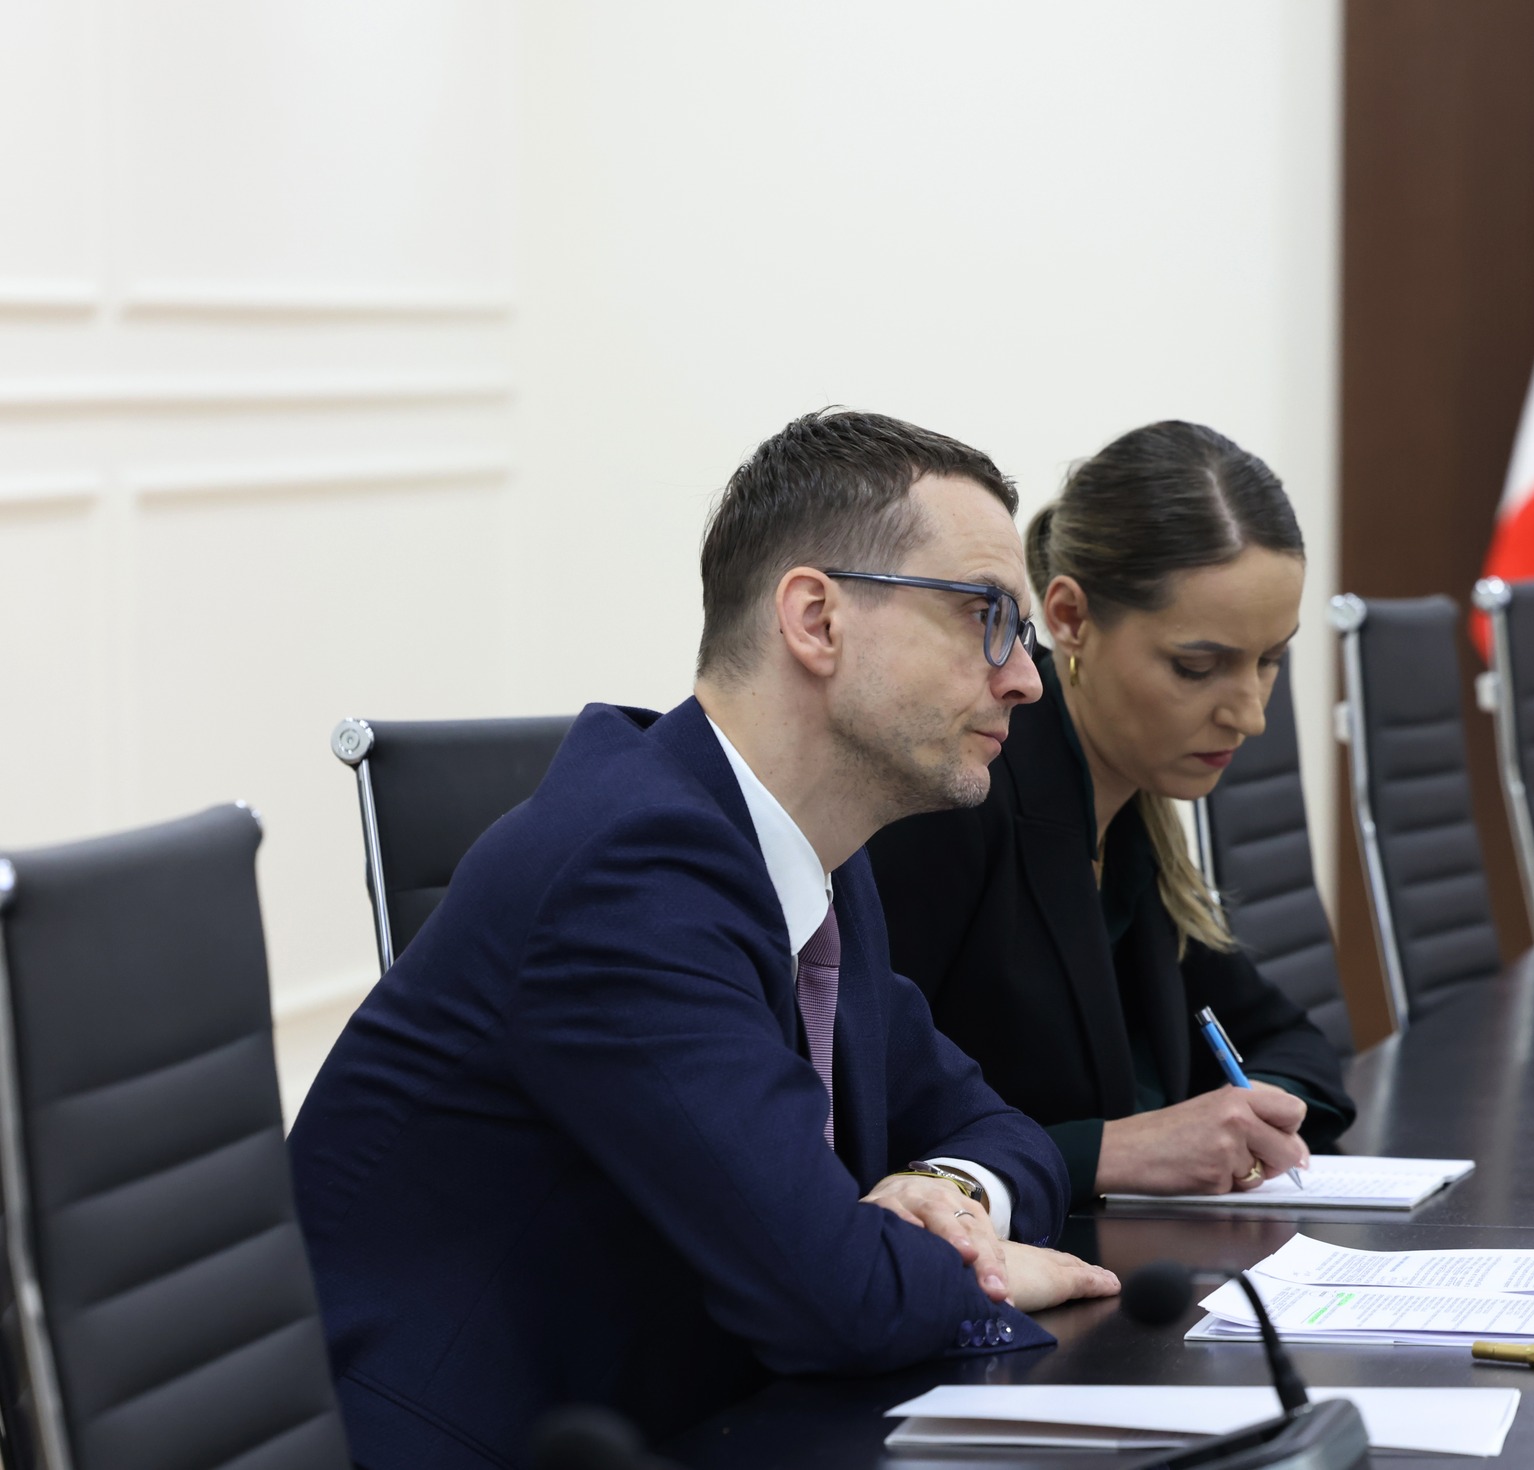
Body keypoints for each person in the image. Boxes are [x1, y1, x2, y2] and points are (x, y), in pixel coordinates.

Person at [289, 411, 1119, 1468]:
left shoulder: (815, 858)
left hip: (689, 1420)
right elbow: (833, 1298)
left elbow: (999, 1128)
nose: (1026, 679)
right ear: (815, 620)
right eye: (984, 617)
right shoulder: (630, 875)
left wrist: (956, 1197)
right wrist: (988, 1268)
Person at [867, 421, 1355, 1204]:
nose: (1251, 715)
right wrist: (1108, 1153)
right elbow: (862, 1130)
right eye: (1197, 667)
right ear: (1069, 618)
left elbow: (1292, 1041)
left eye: (1270, 661)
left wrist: (1248, 1120)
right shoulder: (957, 796)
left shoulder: (1131, 813)